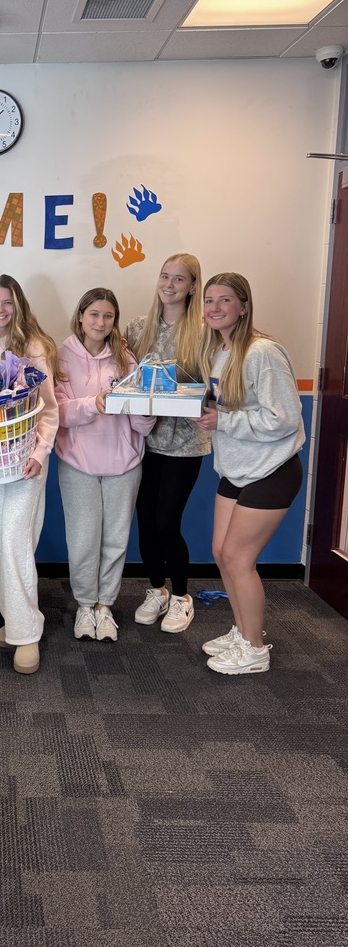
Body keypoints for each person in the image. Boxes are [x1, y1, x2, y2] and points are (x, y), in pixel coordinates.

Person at [194, 273, 304, 675]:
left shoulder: (262, 352)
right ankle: (242, 631)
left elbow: (286, 418)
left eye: (225, 300)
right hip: (238, 470)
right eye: (209, 300)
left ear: (243, 306)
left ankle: (255, 650)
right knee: (222, 554)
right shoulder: (219, 352)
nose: (215, 308)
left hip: (271, 471)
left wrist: (223, 421)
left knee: (239, 560)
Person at [55, 288, 157, 643]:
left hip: (125, 463)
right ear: (81, 316)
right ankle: (85, 606)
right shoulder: (60, 357)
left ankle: (105, 607)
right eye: (94, 314)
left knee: (116, 540)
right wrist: (94, 404)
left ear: (115, 321)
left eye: (108, 316)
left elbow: (142, 424)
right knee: (83, 541)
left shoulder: (127, 359)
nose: (100, 322)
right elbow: (59, 414)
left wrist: (145, 409)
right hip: (78, 463)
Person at [0, 275, 60, 675]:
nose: (0, 310)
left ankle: (27, 635)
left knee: (14, 540)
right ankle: (16, 619)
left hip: (26, 462)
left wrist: (41, 453)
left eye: (7, 302)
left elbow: (50, 408)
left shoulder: (35, 347)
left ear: (18, 305)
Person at [125, 253, 210, 634]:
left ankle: (181, 596)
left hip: (185, 442)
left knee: (166, 521)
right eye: (164, 276)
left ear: (193, 286)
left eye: (179, 279)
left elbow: (215, 384)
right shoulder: (137, 328)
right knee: (145, 521)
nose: (170, 285)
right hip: (145, 439)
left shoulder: (205, 330)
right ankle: (156, 589)